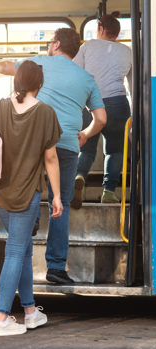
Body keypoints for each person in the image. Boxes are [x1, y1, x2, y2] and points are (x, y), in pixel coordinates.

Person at [0, 28, 107, 285]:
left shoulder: (38, 64)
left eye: (50, 42)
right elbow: (101, 118)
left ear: (56, 44)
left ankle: (31, 223)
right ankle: (57, 268)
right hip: (68, 144)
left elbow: (6, 67)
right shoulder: (87, 78)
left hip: (33, 141)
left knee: (28, 192)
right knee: (63, 204)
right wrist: (84, 134)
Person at [0, 61, 63, 336]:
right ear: (40, 83)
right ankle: (1, 319)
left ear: (16, 81)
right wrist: (57, 196)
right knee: (16, 250)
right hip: (26, 194)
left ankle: (29, 312)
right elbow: (50, 158)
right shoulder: (46, 113)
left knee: (23, 249)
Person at [71, 11, 132, 208]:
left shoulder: (87, 46)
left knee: (87, 148)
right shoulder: (128, 51)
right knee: (114, 151)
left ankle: (79, 176)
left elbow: (75, 72)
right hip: (118, 104)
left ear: (100, 29)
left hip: (90, 103)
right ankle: (108, 192)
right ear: (118, 33)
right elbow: (133, 86)